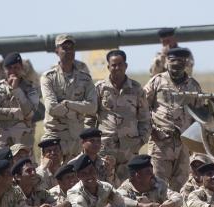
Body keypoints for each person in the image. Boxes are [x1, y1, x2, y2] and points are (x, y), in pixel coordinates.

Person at [145, 47, 202, 190]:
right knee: (156, 185)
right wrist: (152, 130)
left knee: (181, 188)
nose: (176, 63)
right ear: (166, 62)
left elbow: (200, 115)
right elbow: (141, 109)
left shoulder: (193, 85)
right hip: (160, 142)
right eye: (172, 60)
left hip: (183, 145)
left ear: (186, 63)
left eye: (180, 60)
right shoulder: (156, 81)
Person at [92, 50, 150, 181]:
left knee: (128, 185)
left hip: (130, 148)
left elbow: (145, 118)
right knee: (104, 184)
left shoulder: (136, 89)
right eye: (113, 65)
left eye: (120, 64)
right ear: (108, 67)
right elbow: (90, 117)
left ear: (126, 66)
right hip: (105, 147)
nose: (117, 68)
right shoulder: (100, 88)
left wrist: (141, 140)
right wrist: (91, 142)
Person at [40, 35, 96, 158]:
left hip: (76, 140)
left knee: (76, 176)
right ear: (57, 51)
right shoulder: (48, 77)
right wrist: (78, 110)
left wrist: (67, 104)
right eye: (65, 48)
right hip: (55, 140)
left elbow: (92, 107)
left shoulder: (85, 78)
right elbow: (52, 108)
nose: (69, 51)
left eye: (71, 48)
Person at [0, 52, 39, 151]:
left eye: (16, 68)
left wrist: (16, 90)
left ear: (21, 68)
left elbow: (30, 113)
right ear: (4, 70)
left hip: (23, 144)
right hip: (1, 144)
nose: (12, 71)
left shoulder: (30, 88)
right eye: (9, 68)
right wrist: (18, 113)